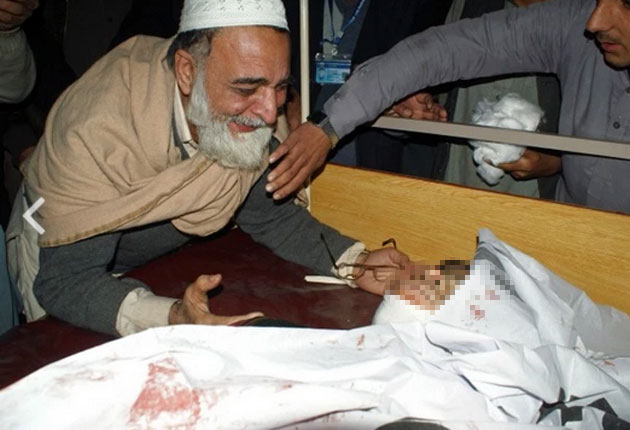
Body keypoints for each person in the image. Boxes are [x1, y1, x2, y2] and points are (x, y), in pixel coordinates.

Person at [5, 0, 408, 337]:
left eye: (280, 87)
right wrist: (170, 316)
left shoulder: (239, 115)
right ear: (186, 72)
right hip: (61, 255)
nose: (270, 114)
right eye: (246, 88)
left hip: (149, 271)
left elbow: (272, 217)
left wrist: (356, 262)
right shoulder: (101, 127)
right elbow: (66, 281)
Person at [266, 0, 630, 215]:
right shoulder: (571, 26)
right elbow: (443, 51)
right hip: (565, 246)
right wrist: (328, 126)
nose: (596, 22)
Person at [283, 0, 451, 176]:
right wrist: (287, 97)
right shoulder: (293, 6)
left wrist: (399, 100)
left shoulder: (412, 9)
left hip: (371, 171)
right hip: (300, 165)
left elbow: (418, 88)